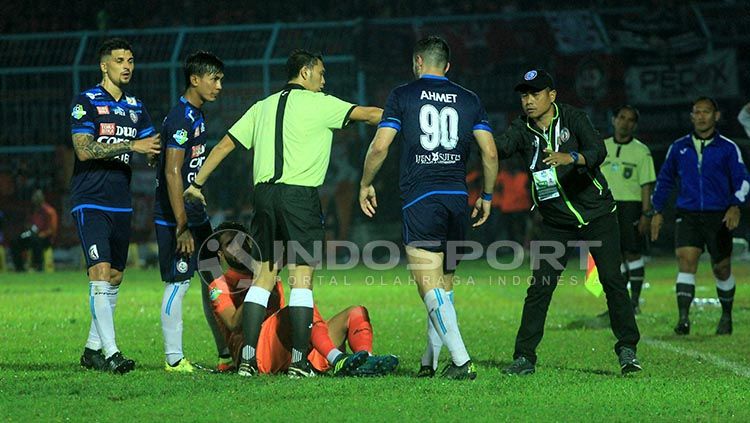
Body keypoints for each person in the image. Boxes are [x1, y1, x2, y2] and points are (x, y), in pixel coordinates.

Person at [184, 49, 382, 378]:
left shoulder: (261, 107)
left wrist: (196, 184)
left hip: (264, 196)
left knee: (264, 276)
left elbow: (223, 146)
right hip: (300, 196)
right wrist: (408, 115)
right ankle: (299, 362)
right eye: (320, 72)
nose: (324, 80)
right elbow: (372, 114)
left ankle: (246, 360)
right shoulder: (321, 103)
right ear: (305, 73)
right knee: (300, 279)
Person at [359, 36, 498, 380]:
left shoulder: (403, 95)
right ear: (447, 66)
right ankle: (429, 361)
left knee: (427, 285)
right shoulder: (469, 99)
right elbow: (490, 153)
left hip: (422, 198)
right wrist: (488, 196)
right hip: (456, 198)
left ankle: (462, 361)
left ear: (418, 62)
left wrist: (365, 183)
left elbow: (380, 147)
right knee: (443, 285)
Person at [496, 69, 641, 376]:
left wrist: (570, 157)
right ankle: (524, 357)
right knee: (540, 286)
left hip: (598, 214)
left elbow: (597, 150)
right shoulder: (521, 129)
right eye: (524, 95)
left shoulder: (574, 118)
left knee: (612, 280)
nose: (529, 101)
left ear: (552, 95)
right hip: (556, 222)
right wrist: (473, 134)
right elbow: (499, 148)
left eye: (535, 94)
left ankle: (627, 348)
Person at [70, 38, 161, 373]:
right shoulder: (87, 101)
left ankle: (92, 349)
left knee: (116, 277)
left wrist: (153, 153)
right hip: (90, 200)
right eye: (120, 60)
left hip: (120, 203)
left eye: (131, 60)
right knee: (100, 273)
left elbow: (151, 146)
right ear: (103, 65)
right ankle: (111, 353)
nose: (127, 66)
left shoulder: (136, 106)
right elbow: (83, 149)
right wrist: (133, 145)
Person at [206, 221, 399, 376]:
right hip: (255, 353)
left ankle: (365, 360)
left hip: (285, 348)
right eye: (230, 244)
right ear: (221, 254)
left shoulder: (267, 274)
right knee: (299, 310)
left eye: (243, 240)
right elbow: (232, 323)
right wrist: (258, 283)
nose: (239, 247)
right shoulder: (220, 285)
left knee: (356, 312)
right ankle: (337, 359)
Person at [153, 51, 227, 372]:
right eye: (214, 78)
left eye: (220, 79)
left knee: (212, 278)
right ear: (195, 80)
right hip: (176, 217)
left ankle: (226, 353)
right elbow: (172, 172)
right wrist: (181, 224)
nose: (219, 86)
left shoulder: (195, 115)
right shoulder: (182, 117)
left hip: (195, 214)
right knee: (179, 281)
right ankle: (173, 359)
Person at [651, 97, 749, 336]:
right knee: (686, 261)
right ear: (692, 116)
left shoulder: (727, 147)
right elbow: (664, 181)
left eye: (707, 112)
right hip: (689, 214)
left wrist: (736, 205)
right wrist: (656, 211)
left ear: (716, 116)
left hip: (719, 216)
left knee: (722, 268)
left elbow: (743, 180)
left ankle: (726, 316)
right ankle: (683, 319)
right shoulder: (679, 147)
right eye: (697, 112)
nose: (702, 116)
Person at [599, 105, 656, 313]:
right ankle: (618, 304)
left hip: (631, 207)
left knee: (632, 253)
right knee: (613, 257)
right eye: (621, 117)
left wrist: (646, 213)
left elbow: (646, 185)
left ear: (635, 125)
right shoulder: (601, 147)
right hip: (605, 208)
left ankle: (635, 301)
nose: (625, 122)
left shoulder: (641, 151)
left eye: (630, 119)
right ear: (614, 120)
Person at [10, 189, 59, 272]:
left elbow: (52, 230)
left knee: (35, 240)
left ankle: (38, 267)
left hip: (45, 239)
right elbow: (30, 225)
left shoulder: (49, 211)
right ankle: (19, 268)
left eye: (36, 197)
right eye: (34, 197)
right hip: (32, 235)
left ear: (42, 198)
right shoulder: (34, 211)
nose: (34, 199)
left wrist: (41, 234)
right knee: (15, 241)